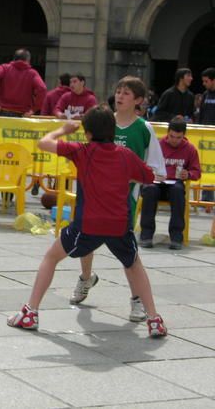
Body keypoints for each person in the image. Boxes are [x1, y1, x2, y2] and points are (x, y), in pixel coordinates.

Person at [7, 106, 167, 337]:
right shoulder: (125, 155)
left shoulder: (82, 151)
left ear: (88, 133)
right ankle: (154, 319)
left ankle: (30, 312)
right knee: (134, 265)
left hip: (87, 224)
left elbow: (44, 143)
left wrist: (63, 129)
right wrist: (125, 177)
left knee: (51, 257)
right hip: (119, 224)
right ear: (113, 131)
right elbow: (149, 176)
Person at [69, 76, 166, 323]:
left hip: (124, 200)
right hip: (94, 194)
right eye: (118, 91)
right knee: (85, 238)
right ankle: (86, 278)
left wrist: (132, 176)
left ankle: (137, 301)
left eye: (126, 93)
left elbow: (157, 169)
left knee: (128, 253)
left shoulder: (144, 128)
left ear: (139, 101)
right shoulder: (104, 122)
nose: (120, 96)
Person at [140, 118, 201, 250]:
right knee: (150, 190)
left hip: (175, 185)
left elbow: (197, 171)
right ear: (167, 133)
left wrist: (188, 174)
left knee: (178, 191)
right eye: (171, 136)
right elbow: (144, 164)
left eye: (178, 137)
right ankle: (146, 235)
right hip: (156, 182)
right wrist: (151, 173)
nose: (174, 140)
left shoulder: (190, 149)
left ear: (184, 135)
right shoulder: (157, 145)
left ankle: (176, 236)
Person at [0, 49, 47, 117]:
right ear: (28, 60)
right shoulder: (32, 73)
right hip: (22, 114)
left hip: (1, 110)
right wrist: (33, 109)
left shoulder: (4, 68)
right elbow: (43, 88)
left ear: (14, 58)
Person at [199, 68, 215, 209]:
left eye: (206, 81)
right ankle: (206, 200)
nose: (204, 84)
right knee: (207, 167)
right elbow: (201, 114)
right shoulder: (205, 95)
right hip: (206, 135)